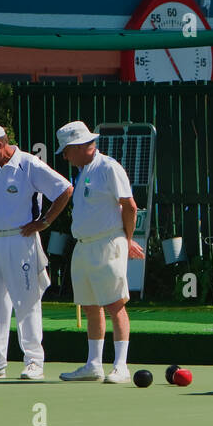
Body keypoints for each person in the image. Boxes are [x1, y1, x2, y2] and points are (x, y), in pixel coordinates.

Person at [0, 121, 72, 380]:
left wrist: (44, 222)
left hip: (22, 241)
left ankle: (34, 361)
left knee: (27, 300)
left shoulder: (29, 164)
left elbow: (65, 189)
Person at [56, 121, 147, 383]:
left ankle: (121, 366)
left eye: (67, 150)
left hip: (108, 244)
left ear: (81, 146)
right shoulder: (84, 170)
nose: (64, 156)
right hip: (83, 246)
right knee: (90, 306)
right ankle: (94, 365)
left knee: (114, 304)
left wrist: (126, 240)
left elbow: (129, 206)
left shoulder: (109, 167)